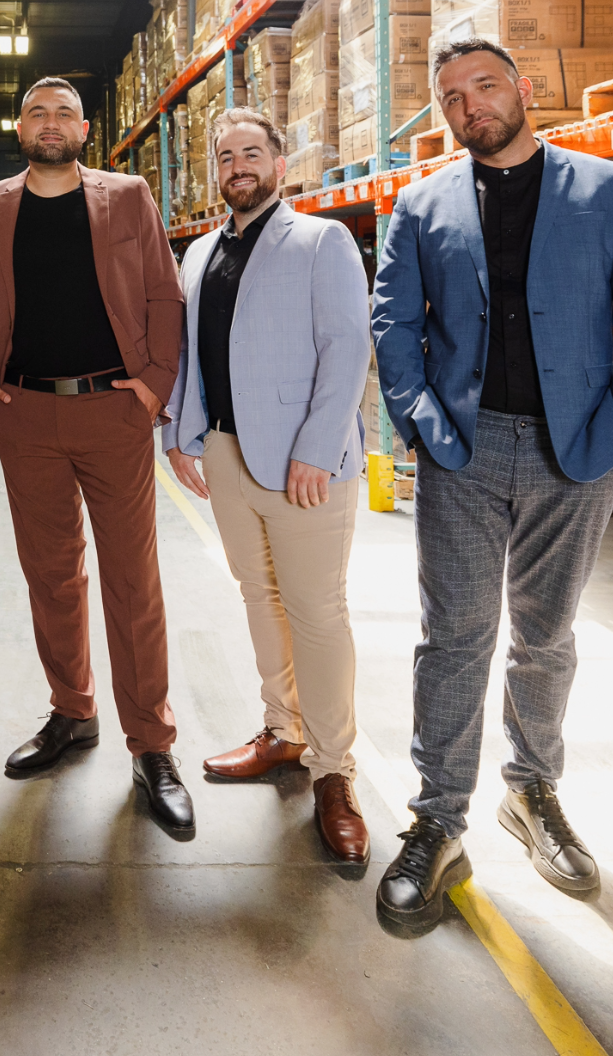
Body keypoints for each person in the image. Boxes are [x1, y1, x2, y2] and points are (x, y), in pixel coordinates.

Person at [372, 39, 613, 929]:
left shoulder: (608, 189)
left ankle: (533, 791)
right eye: (453, 98)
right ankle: (437, 821)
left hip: (571, 451)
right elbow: (393, 326)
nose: (471, 107)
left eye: (486, 86)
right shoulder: (419, 203)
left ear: (524, 90)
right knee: (454, 636)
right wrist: (425, 428)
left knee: (546, 637)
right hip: (463, 454)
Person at [0, 77, 192, 831]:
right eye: (36, 112)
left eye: (63, 113)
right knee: (51, 575)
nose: (49, 124)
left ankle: (151, 744)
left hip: (113, 411)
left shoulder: (127, 196)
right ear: (18, 125)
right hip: (24, 413)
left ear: (85, 127)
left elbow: (162, 293)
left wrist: (152, 388)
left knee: (131, 579)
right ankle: (72, 711)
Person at [163, 109, 372, 865]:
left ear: (280, 164)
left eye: (252, 153)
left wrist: (317, 448)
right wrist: (180, 436)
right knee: (259, 597)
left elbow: (347, 347)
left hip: (300, 464)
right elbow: (190, 357)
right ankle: (283, 733)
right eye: (226, 156)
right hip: (222, 452)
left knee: (317, 610)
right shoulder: (198, 254)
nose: (237, 166)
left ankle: (335, 771)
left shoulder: (322, 241)